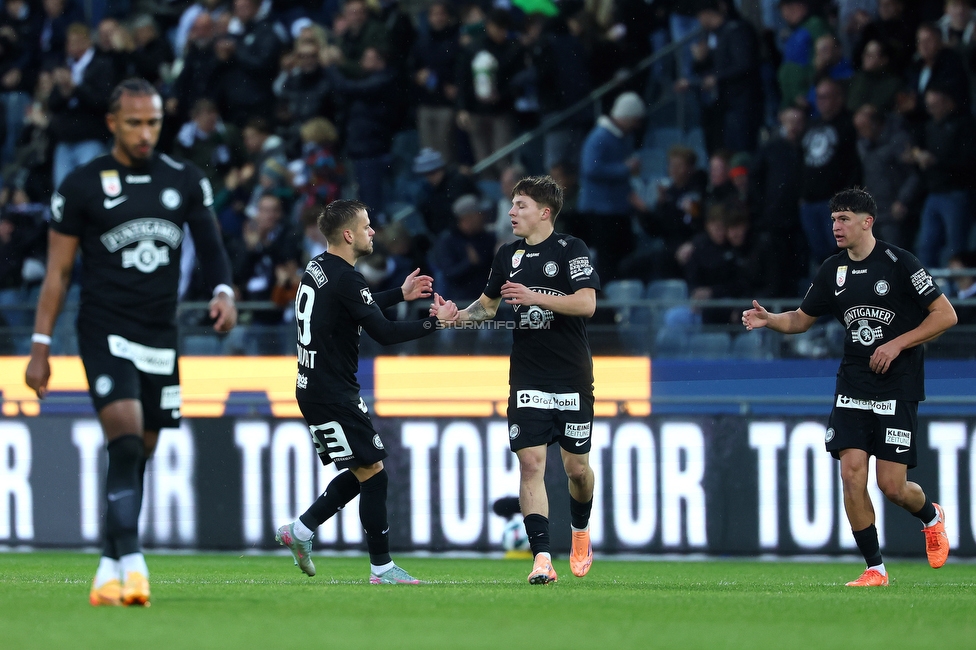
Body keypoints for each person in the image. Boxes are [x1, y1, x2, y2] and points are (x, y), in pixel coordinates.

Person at [25, 78, 238, 606]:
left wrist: (224, 290)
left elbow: (210, 245)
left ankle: (106, 568)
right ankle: (135, 563)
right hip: (104, 331)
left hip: (160, 335)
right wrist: (40, 346)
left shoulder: (183, 179)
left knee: (139, 453)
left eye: (154, 123)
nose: (146, 133)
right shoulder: (81, 184)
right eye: (135, 123)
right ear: (112, 124)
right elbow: (58, 273)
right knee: (124, 437)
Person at [741, 187, 955, 587]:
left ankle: (931, 516)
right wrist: (771, 319)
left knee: (892, 486)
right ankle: (875, 568)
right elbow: (803, 319)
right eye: (833, 218)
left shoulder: (899, 263)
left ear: (866, 222)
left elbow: (946, 315)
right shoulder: (833, 270)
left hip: (898, 384)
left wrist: (896, 343)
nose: (835, 226)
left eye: (844, 219)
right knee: (851, 473)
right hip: (854, 381)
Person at [275, 199, 459, 585]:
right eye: (366, 225)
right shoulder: (346, 277)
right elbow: (385, 333)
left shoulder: (319, 267)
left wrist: (399, 294)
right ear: (348, 235)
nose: (373, 231)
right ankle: (381, 568)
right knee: (374, 475)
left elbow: (352, 307)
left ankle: (302, 530)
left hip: (316, 387)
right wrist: (435, 324)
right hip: (331, 392)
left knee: (365, 468)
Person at [449, 175, 601, 585]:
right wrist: (456, 317)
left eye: (520, 205)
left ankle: (580, 530)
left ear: (544, 212)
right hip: (528, 376)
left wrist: (537, 297)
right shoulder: (507, 255)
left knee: (576, 470)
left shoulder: (572, 250)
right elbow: (486, 308)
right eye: (513, 205)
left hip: (571, 374)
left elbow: (587, 303)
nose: (512, 212)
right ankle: (542, 558)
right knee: (531, 464)